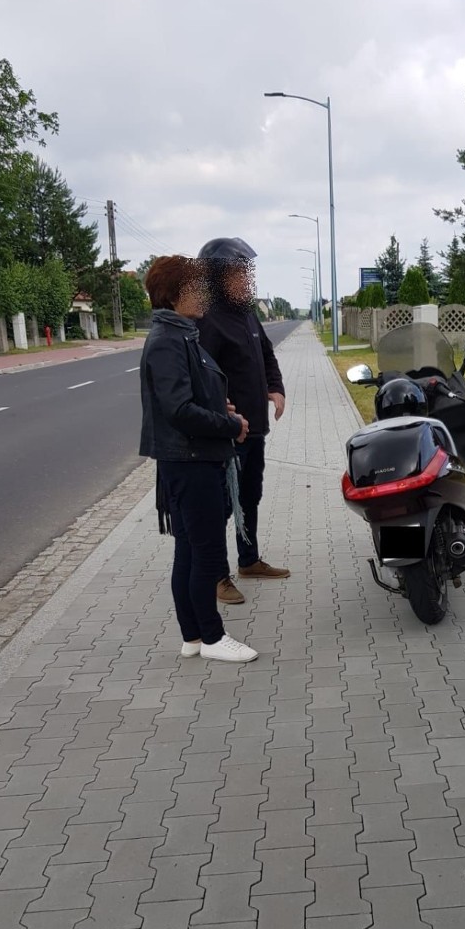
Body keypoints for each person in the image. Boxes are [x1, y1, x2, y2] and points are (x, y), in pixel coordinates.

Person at [139, 255, 258, 663]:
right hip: (190, 462)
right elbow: (178, 409)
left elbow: (190, 397)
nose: (205, 294)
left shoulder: (181, 334)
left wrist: (220, 409)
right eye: (197, 287)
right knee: (205, 554)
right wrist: (229, 425)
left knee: (189, 552)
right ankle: (212, 637)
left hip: (192, 458)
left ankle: (192, 638)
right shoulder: (168, 340)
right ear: (176, 295)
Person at [195, 237, 290, 606]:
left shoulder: (247, 314)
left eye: (247, 272)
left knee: (250, 496)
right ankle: (217, 576)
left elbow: (267, 357)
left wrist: (276, 388)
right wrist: (222, 409)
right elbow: (202, 377)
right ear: (218, 278)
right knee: (222, 504)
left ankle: (248, 561)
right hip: (228, 435)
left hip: (256, 429)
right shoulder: (209, 321)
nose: (247, 279)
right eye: (239, 272)